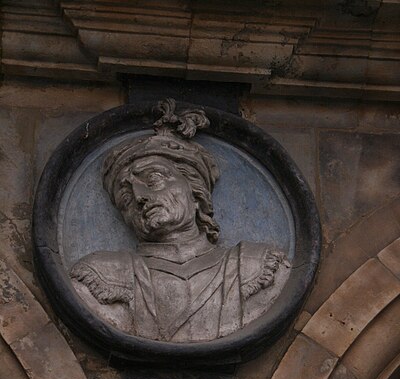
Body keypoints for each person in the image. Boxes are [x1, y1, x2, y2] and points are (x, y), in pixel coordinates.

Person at [71, 99, 290, 342]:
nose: (140, 197)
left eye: (153, 179)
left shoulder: (257, 268)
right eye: (125, 198)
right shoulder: (100, 276)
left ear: (195, 192)